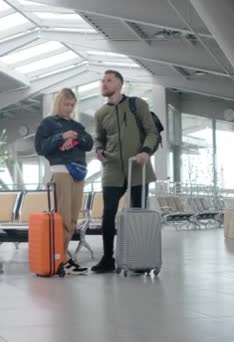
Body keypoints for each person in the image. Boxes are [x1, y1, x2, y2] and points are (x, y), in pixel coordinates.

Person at [91, 70, 159, 273]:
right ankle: (107, 259)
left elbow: (151, 132)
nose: (104, 83)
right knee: (108, 214)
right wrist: (99, 150)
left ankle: (138, 258)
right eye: (102, 80)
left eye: (108, 80)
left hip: (138, 167)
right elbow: (99, 138)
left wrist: (146, 151)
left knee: (137, 212)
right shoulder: (100, 113)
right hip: (111, 169)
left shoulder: (137, 104)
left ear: (120, 84)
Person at [35, 88, 93, 275]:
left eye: (72, 105)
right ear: (58, 103)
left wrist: (74, 136)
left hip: (79, 172)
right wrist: (62, 137)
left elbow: (89, 142)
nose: (69, 108)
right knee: (64, 217)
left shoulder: (76, 126)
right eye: (66, 104)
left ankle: (60, 256)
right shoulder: (48, 123)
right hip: (61, 171)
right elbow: (41, 148)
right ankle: (60, 258)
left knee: (73, 219)